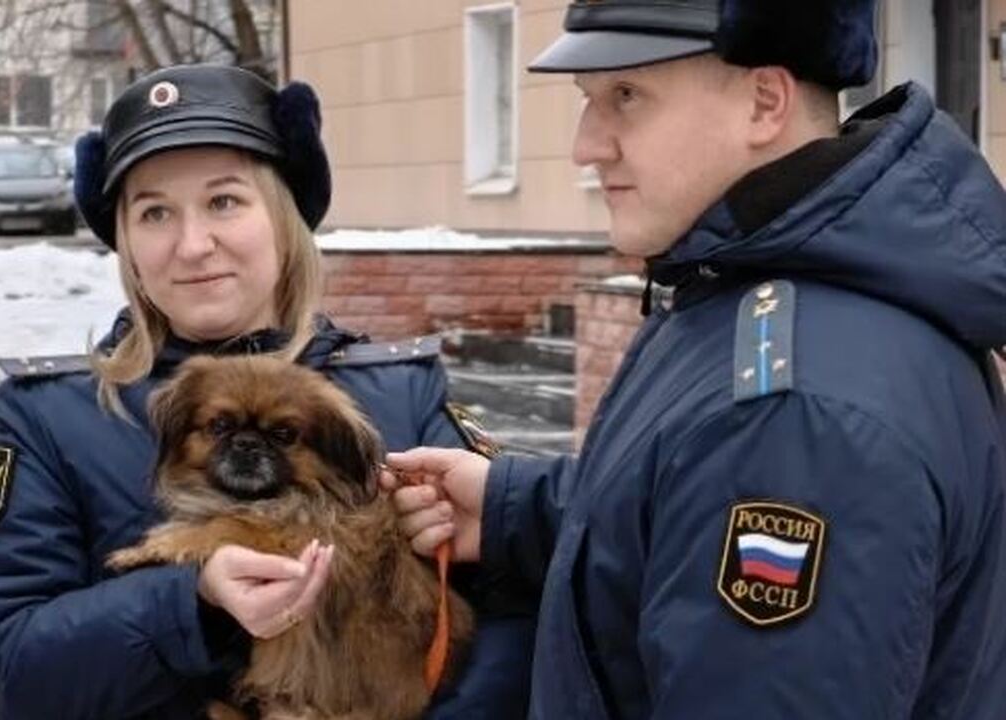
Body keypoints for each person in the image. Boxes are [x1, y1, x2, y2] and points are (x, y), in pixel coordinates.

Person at [385, 0, 1006, 717]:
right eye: (589, 103)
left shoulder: (793, 410)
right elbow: (685, 520)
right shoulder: (743, 286)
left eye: (627, 97)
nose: (587, 146)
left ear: (764, 102)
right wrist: (514, 512)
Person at [0, 65, 533, 720]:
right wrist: (191, 603)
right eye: (155, 212)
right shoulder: (53, 413)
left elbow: (519, 617)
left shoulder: (398, 390)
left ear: (283, 218)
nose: (193, 245)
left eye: (225, 201)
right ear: (127, 242)